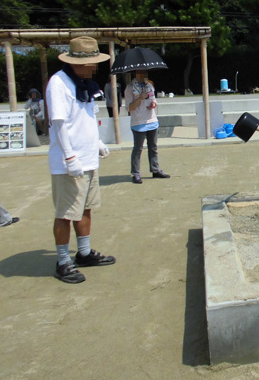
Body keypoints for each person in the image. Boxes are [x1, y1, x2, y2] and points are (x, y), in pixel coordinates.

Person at [46, 36, 115, 284]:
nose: (95, 66)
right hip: (70, 161)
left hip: (88, 159)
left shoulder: (84, 83)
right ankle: (63, 261)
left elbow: (86, 117)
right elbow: (59, 123)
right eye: (92, 62)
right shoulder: (59, 83)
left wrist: (95, 142)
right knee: (66, 212)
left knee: (85, 207)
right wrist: (70, 156)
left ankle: (84, 252)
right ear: (75, 62)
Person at [125, 70, 170, 184]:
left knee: (153, 147)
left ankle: (155, 169)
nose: (143, 75)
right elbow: (129, 108)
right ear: (136, 73)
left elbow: (153, 99)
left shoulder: (149, 85)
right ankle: (136, 173)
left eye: (145, 73)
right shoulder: (130, 88)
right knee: (138, 149)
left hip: (152, 120)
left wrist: (154, 104)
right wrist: (140, 98)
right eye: (141, 73)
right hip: (138, 122)